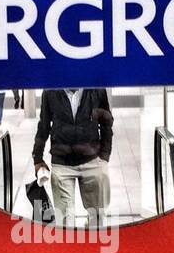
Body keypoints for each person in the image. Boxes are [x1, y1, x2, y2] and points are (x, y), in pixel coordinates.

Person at [32, 87, 113, 224]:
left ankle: (92, 242)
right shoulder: (51, 91)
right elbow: (43, 126)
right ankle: (69, 245)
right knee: (65, 222)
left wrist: (105, 156)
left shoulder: (96, 89)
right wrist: (37, 158)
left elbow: (106, 122)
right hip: (62, 163)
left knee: (97, 219)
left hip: (92, 160)